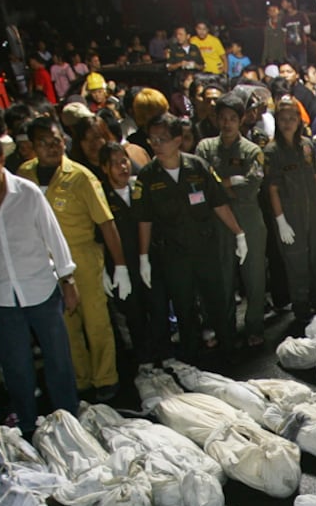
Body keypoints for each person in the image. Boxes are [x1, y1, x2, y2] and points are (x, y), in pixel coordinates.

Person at [0, 128, 80, 437]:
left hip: (41, 287)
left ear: (0, 160)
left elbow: (54, 236)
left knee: (58, 359)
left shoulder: (27, 192)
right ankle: (26, 423)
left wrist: (68, 279)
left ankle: (70, 417)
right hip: (1, 294)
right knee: (16, 366)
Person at [18, 117, 125, 399]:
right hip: (43, 262)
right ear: (31, 146)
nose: (53, 148)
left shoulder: (80, 177)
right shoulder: (24, 176)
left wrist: (120, 266)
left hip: (82, 258)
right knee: (65, 326)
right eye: (44, 143)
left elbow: (106, 222)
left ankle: (106, 377)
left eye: (56, 141)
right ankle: (81, 378)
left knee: (96, 321)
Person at [135, 114, 247, 363]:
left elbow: (218, 203)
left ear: (177, 140)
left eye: (162, 139)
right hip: (173, 253)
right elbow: (145, 220)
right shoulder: (148, 176)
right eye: (152, 140)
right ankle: (193, 356)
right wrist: (143, 257)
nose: (156, 145)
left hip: (204, 247)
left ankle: (228, 349)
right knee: (184, 306)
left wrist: (238, 233)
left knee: (218, 299)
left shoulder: (197, 167)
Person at [196, 95, 270, 348]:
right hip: (219, 222)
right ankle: (224, 329)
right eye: (223, 118)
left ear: (241, 121)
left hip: (249, 219)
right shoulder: (205, 148)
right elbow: (202, 186)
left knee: (254, 277)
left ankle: (255, 327)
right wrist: (231, 182)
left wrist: (219, 184)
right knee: (222, 279)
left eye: (232, 119)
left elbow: (251, 186)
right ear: (216, 119)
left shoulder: (253, 150)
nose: (227, 124)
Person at [264, 96, 316, 322]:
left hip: (311, 213)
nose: (288, 123)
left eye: (292, 118)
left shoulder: (307, 146)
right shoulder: (272, 151)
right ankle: (300, 305)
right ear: (277, 120)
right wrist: (280, 221)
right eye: (283, 118)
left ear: (299, 120)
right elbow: (273, 189)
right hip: (290, 215)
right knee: (296, 262)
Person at [99, 141, 170, 367]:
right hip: (122, 266)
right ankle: (144, 359)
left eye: (124, 161)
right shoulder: (101, 196)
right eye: (115, 164)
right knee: (134, 314)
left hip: (148, 260)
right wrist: (103, 270)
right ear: (104, 168)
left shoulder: (139, 188)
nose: (122, 167)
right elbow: (98, 236)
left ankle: (167, 353)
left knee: (158, 308)